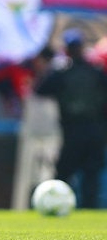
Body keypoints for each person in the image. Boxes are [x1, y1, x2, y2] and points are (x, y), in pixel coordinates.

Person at [34, 29, 107, 209]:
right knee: (91, 175)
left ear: (66, 50)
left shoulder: (61, 73)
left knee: (64, 174)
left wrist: (51, 67)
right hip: (96, 130)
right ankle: (88, 209)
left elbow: (39, 90)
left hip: (73, 130)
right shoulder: (96, 72)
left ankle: (56, 205)